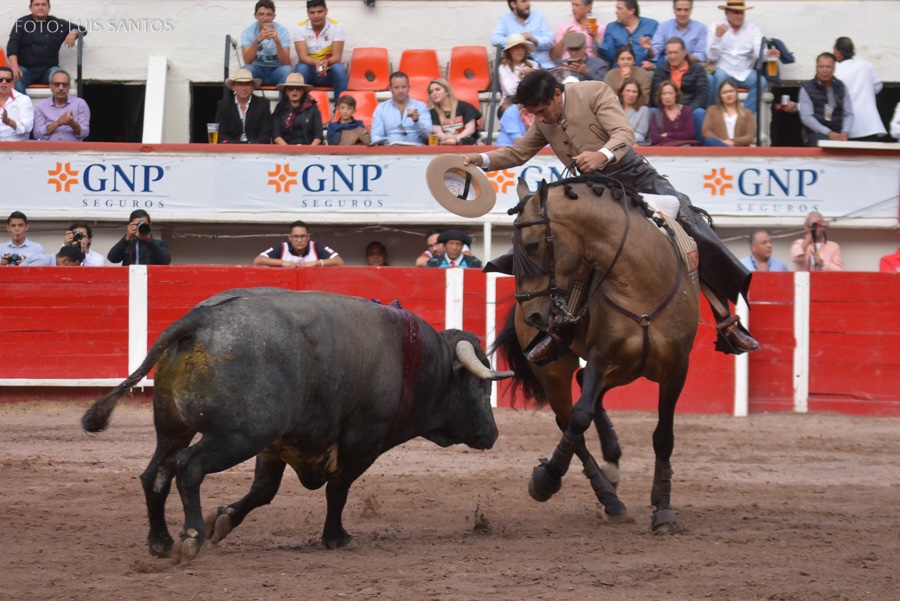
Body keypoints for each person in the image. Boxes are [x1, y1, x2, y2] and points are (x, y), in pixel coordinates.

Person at [461, 69, 759, 354]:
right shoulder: (543, 119)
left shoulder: (594, 92)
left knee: (688, 221)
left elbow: (623, 133)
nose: (539, 119)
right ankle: (558, 329)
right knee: (560, 240)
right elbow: (518, 152)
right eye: (534, 114)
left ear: (556, 94)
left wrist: (601, 155)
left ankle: (726, 321)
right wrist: (481, 159)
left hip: (632, 175)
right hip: (591, 189)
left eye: (541, 110)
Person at [706, 0, 778, 114]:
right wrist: (717, 37)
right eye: (736, 12)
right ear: (727, 13)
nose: (739, 16)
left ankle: (744, 117)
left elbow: (759, 52)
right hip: (723, 70)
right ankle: (717, 115)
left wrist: (768, 54)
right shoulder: (716, 26)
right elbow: (711, 57)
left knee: (761, 81)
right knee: (719, 77)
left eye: (742, 13)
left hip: (744, 72)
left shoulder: (753, 28)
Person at [6, 0, 87, 94]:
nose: (40, 7)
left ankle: (57, 108)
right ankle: (23, 107)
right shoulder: (21, 23)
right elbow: (12, 45)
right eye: (37, 5)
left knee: (60, 77)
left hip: (49, 70)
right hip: (25, 69)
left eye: (44, 4)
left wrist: (74, 31)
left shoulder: (57, 24)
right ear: (30, 8)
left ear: (49, 7)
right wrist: (14, 66)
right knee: (16, 78)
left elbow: (82, 29)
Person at [651, 37, 708, 141]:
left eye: (676, 53)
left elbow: (702, 96)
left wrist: (685, 111)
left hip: (690, 108)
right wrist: (669, 109)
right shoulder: (660, 70)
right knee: (651, 111)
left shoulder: (697, 69)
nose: (672, 56)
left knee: (700, 113)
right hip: (666, 107)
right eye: (670, 53)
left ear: (684, 52)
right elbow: (655, 96)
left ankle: (699, 146)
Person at [833, 37, 887, 142]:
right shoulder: (866, 65)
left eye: (834, 50)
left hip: (848, 128)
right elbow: (878, 87)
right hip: (870, 125)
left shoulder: (835, 71)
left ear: (839, 52)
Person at [293, 0, 348, 102]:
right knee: (301, 68)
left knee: (339, 69)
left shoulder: (336, 26)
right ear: (308, 13)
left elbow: (337, 57)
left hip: (329, 70)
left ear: (326, 11)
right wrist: (317, 64)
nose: (316, 16)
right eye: (312, 12)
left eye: (320, 11)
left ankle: (340, 109)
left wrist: (326, 63)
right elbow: (302, 56)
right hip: (310, 70)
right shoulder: (300, 27)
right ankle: (302, 109)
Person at [798, 53, 853, 147]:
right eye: (821, 67)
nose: (825, 70)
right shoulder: (807, 88)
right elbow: (806, 117)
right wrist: (828, 133)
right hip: (815, 135)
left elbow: (848, 114)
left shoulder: (841, 87)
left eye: (828, 67)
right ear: (816, 68)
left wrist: (845, 132)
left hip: (838, 134)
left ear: (834, 69)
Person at [370, 71, 432, 145]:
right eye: (396, 87)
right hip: (390, 151)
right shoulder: (381, 108)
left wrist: (417, 121)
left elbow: (428, 133)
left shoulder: (421, 106)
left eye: (404, 87)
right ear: (390, 89)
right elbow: (376, 134)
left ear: (408, 88)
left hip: (416, 150)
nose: (400, 91)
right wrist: (383, 147)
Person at [241, 0, 293, 87]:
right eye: (261, 14)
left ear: (274, 16)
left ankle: (284, 101)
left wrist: (277, 41)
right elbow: (247, 61)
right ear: (255, 16)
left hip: (276, 70)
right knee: (246, 70)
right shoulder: (248, 32)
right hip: (257, 70)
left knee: (287, 70)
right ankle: (250, 101)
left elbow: (285, 63)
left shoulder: (283, 31)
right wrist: (257, 40)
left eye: (269, 14)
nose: (265, 18)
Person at [490, 0, 555, 70]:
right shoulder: (504, 20)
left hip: (544, 66)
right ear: (513, 4)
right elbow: (495, 39)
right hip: (518, 70)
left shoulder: (539, 16)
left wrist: (533, 39)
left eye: (528, 0)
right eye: (524, 1)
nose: (529, 4)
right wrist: (517, 40)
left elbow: (550, 42)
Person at [215, 68, 273, 144]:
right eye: (240, 84)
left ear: (252, 87)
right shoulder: (223, 105)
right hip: (231, 149)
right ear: (233, 87)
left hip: (256, 150)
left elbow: (266, 134)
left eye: (247, 84)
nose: (244, 88)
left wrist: (252, 147)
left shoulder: (263, 104)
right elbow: (221, 134)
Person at [254, 220, 343, 267]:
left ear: (308, 237)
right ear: (290, 237)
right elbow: (258, 260)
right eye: (296, 236)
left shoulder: (316, 246)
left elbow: (339, 261)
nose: (299, 240)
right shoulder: (282, 247)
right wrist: (282, 263)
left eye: (303, 236)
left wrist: (315, 263)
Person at [31, 69, 89, 141]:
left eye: (64, 85)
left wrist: (72, 123)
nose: (61, 88)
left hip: (73, 150)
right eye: (57, 84)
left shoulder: (80, 104)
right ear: (50, 86)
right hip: (49, 150)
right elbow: (37, 134)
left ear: (69, 87)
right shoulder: (42, 106)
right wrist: (57, 123)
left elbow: (85, 133)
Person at [597, 0, 658, 69]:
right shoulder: (611, 27)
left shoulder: (651, 25)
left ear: (631, 11)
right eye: (617, 8)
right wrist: (596, 37)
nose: (616, 12)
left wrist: (650, 49)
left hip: (643, 70)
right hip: (619, 71)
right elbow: (610, 56)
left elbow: (656, 55)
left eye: (620, 9)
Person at [272, 73, 323, 145]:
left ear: (302, 92)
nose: (294, 91)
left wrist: (310, 151)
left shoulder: (313, 108)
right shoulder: (279, 109)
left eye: (298, 88)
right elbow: (276, 135)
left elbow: (318, 135)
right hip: (284, 150)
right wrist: (288, 150)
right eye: (291, 88)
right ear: (286, 92)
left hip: (309, 149)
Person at [427, 78, 482, 146]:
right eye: (431, 92)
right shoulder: (432, 113)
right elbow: (438, 132)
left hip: (466, 145)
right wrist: (446, 138)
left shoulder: (465, 107)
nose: (434, 93)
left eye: (437, 89)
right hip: (445, 145)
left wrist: (456, 139)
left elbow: (470, 129)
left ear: (447, 91)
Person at [107, 210, 172, 266]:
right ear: (130, 226)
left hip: (150, 279)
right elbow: (112, 258)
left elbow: (166, 261)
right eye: (137, 225)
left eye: (144, 224)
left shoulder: (160, 244)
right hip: (130, 279)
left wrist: (149, 241)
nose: (141, 227)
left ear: (150, 225)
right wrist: (127, 237)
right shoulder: (126, 244)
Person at [651, 0, 707, 65]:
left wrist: (679, 56)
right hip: (670, 66)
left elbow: (702, 55)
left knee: (708, 75)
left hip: (692, 66)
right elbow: (655, 52)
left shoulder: (700, 27)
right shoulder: (664, 27)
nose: (682, 14)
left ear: (691, 10)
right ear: (674, 10)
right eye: (679, 9)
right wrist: (649, 48)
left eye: (686, 10)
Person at [702, 79, 756, 147]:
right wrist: (721, 143)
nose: (728, 94)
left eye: (731, 91)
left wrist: (733, 142)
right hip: (718, 150)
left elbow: (750, 136)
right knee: (710, 140)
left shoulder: (747, 113)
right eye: (724, 92)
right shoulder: (712, 110)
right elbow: (706, 131)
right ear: (720, 96)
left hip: (739, 151)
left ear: (736, 93)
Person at [649, 80, 698, 146]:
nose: (667, 97)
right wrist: (678, 140)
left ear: (676, 94)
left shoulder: (686, 111)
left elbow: (690, 134)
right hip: (664, 149)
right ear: (660, 96)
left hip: (684, 148)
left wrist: (668, 135)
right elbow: (655, 138)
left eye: (670, 93)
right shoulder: (656, 114)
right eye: (664, 94)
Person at [498, 34, 539, 106]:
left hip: (531, 102)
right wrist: (519, 76)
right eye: (516, 47)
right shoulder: (503, 67)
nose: (520, 50)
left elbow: (538, 88)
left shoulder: (533, 64)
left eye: (522, 47)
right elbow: (510, 91)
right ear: (510, 51)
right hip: (511, 103)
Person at [0, 66, 34, 142]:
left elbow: (28, 127)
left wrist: (9, 122)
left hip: (18, 146)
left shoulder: (24, 100)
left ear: (12, 81)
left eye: (8, 80)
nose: (4, 82)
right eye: (0, 79)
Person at [618, 78, 649, 145]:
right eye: (628, 91)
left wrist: (619, 139)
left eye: (634, 91)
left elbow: (641, 135)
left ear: (638, 94)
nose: (631, 94)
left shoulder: (643, 110)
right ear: (622, 92)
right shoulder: (616, 109)